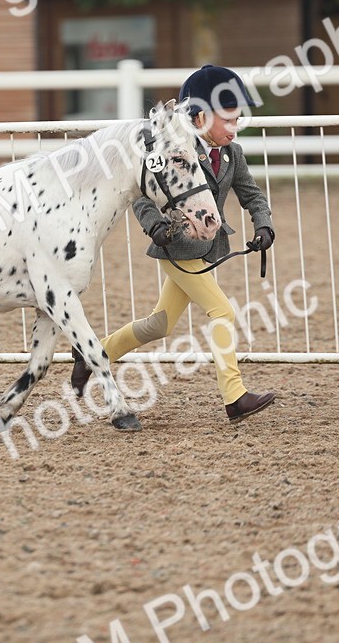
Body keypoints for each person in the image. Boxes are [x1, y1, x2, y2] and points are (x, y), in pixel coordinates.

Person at [70, 65, 277, 422]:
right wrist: (155, 227)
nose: (233, 128)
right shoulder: (175, 151)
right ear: (197, 117)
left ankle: (93, 354)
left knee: (159, 325)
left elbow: (252, 194)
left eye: (237, 120)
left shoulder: (233, 154)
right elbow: (141, 197)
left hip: (208, 248)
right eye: (226, 120)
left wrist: (264, 226)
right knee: (222, 311)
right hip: (175, 248)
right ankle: (235, 397)